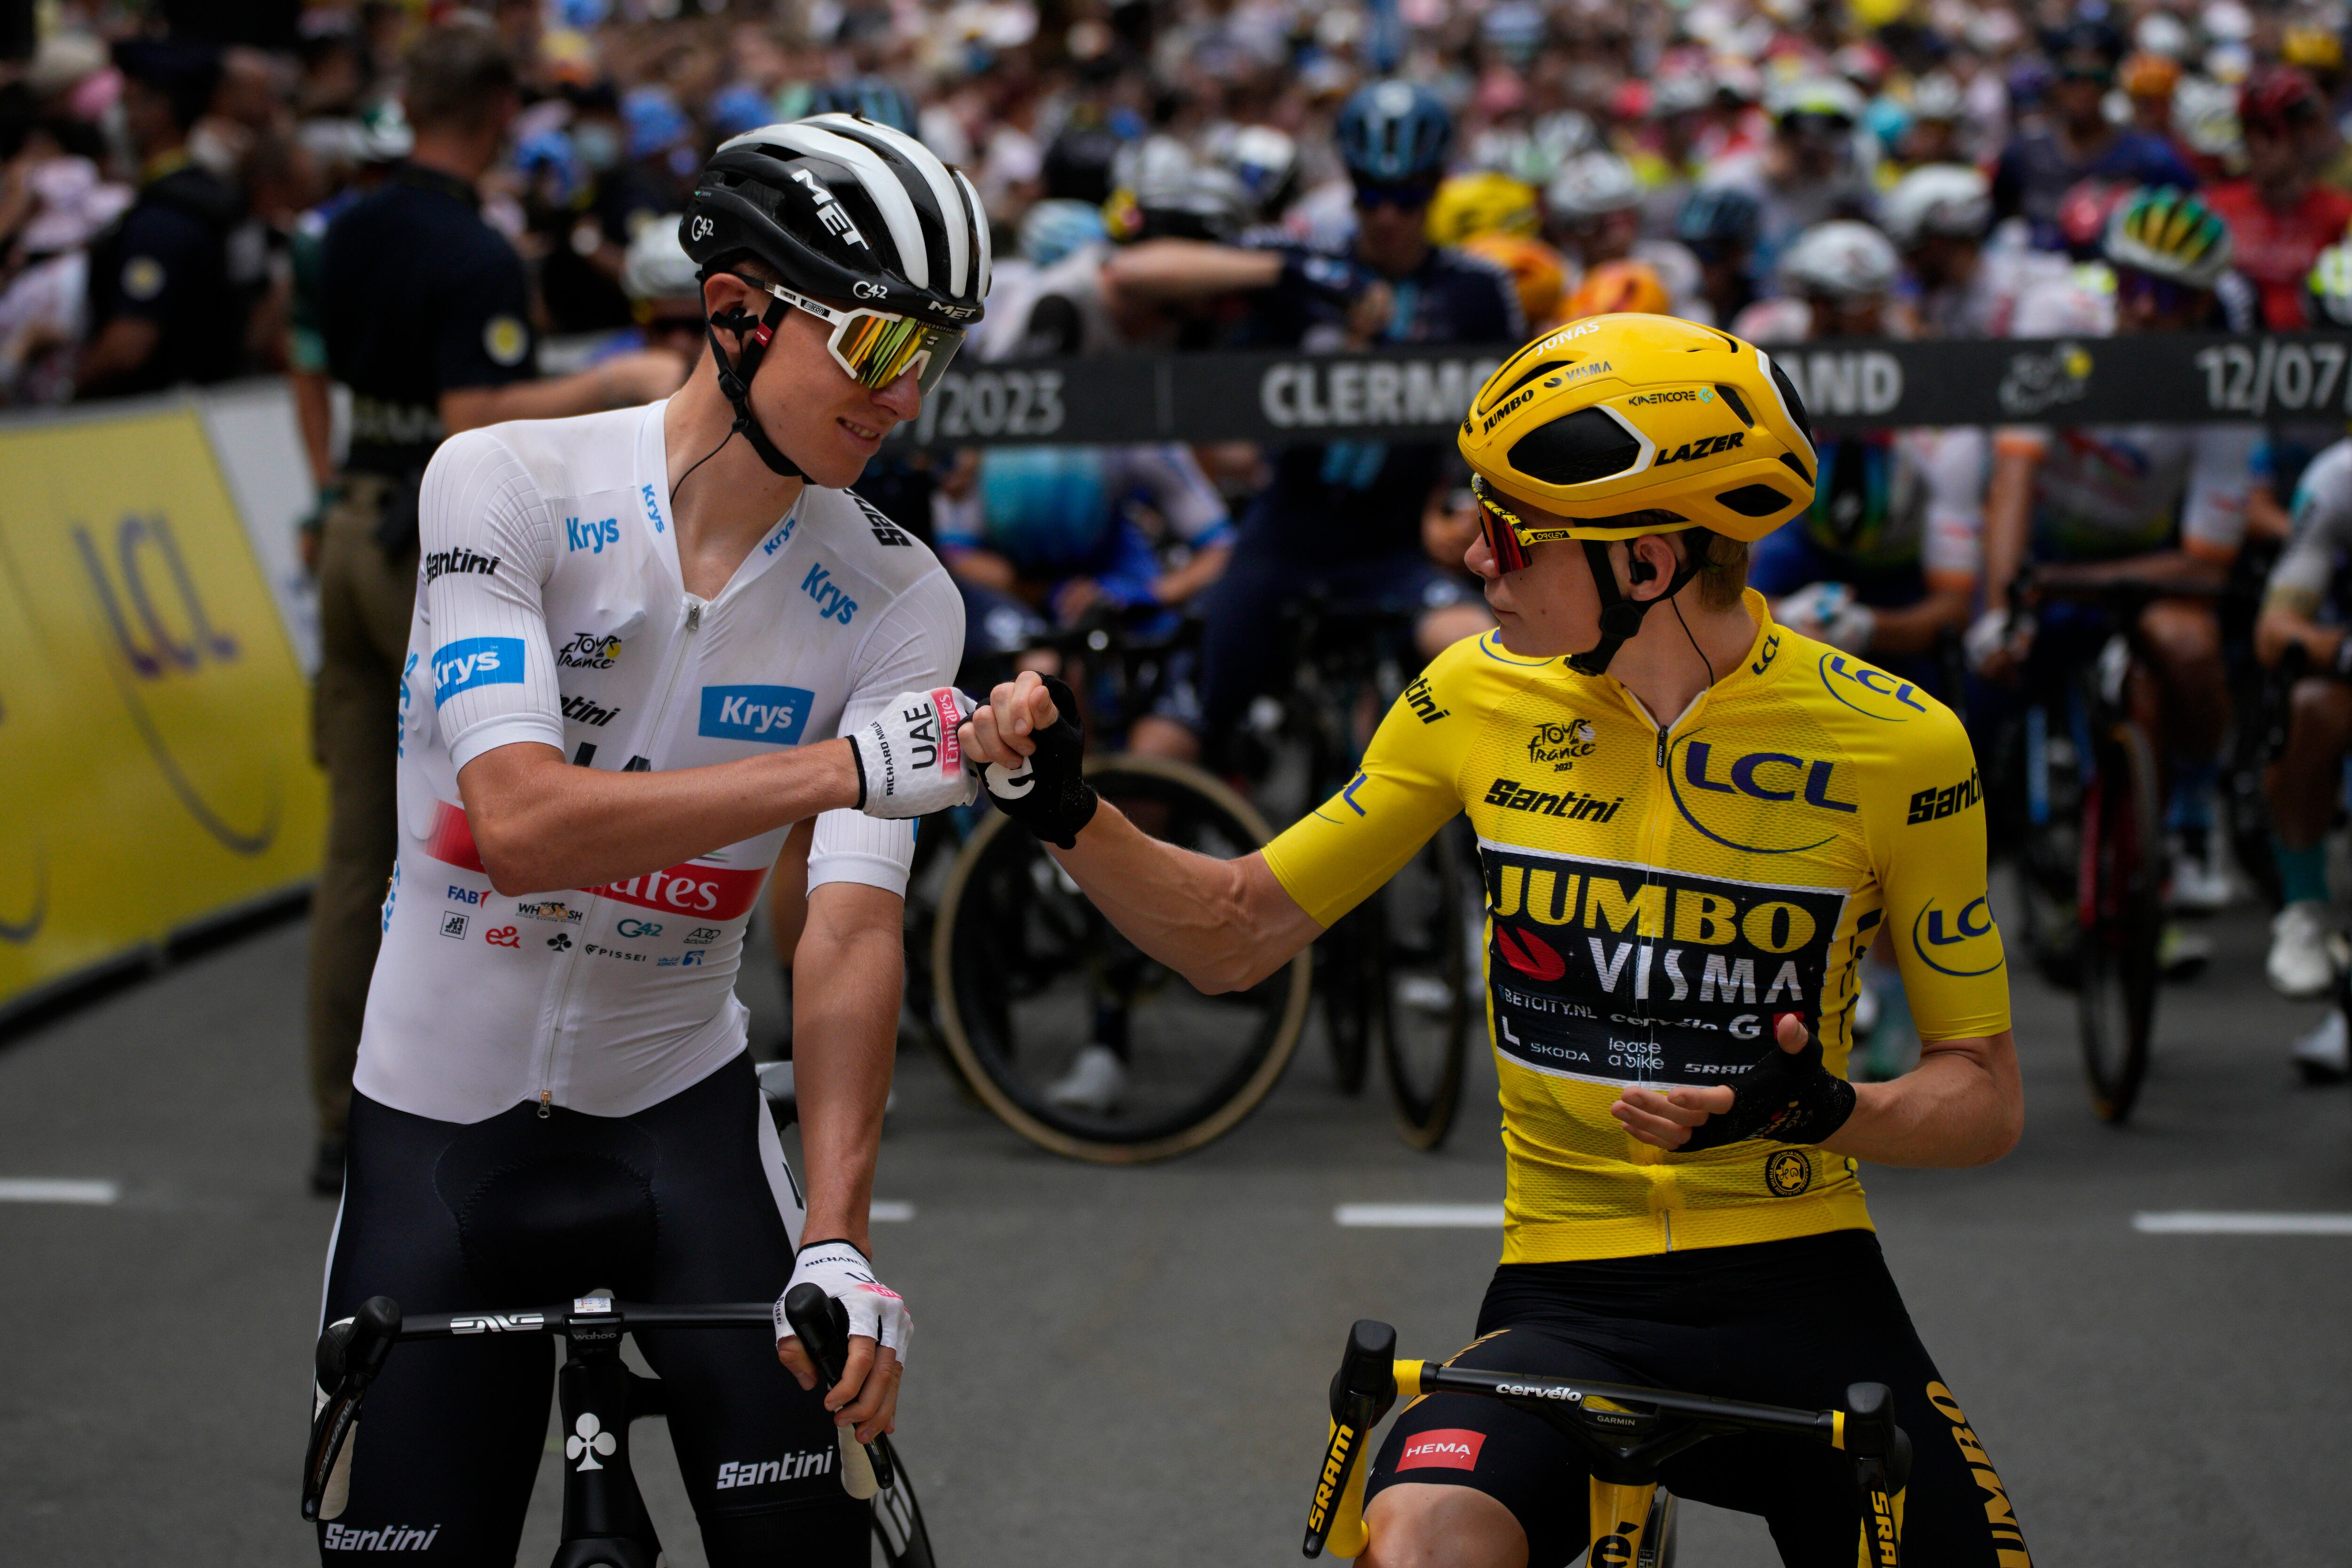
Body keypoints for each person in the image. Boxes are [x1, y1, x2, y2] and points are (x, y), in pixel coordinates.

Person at [957, 312, 2026, 1566]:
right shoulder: (1470, 695)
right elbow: (1235, 933)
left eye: (1514, 532)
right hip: (1571, 1293)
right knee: (1413, 1541)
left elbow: (1985, 1098)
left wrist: (1824, 1107)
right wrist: (1064, 810)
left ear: (1651, 563)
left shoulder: (1900, 743)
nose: (1473, 557)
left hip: (1806, 1285)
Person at [313, 109, 993, 1563]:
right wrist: (835, 770)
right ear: (739, 314)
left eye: (935, 350)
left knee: (812, 1539)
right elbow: (523, 825)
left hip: (678, 1117)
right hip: (437, 1123)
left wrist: (840, 1236)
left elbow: (849, 926)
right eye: (878, 343)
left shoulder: (896, 596)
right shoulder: (501, 484)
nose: (908, 392)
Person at [302, 23, 687, 1196]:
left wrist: (325, 485)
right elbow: (474, 412)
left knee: (356, 840)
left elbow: (298, 354)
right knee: (457, 842)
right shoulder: (471, 248)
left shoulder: (342, 227)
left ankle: (336, 1117)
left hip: (350, 520)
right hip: (434, 546)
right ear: (488, 117)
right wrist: (616, 385)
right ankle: (454, 1095)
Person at [1101, 79, 1520, 765]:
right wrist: (1285, 274)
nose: (1388, 216)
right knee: (1177, 737)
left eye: (1409, 196)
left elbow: (1513, 428)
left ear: (1439, 187)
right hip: (1284, 534)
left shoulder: (1478, 291)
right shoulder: (1305, 263)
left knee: (1480, 658)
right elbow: (1131, 272)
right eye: (1370, 194)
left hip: (1397, 543)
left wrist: (1471, 517)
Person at [1972, 187, 2259, 920]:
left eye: (2170, 295)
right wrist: (2002, 609)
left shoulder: (2222, 379)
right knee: (1980, 676)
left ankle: (2191, 816)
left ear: (2202, 306)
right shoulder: (2056, 317)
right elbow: (2013, 476)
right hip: (2043, 539)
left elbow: (2206, 562)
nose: (2144, 309)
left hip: (2145, 561)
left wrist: (2079, 581)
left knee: (2186, 649)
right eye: (2131, 283)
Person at [76, 37, 247, 398]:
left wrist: (68, 392)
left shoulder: (162, 219)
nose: (119, 117)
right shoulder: (214, 195)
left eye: (128, 103)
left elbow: (127, 348)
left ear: (161, 111)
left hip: (156, 412)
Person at [1990, 20, 2199, 253]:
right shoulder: (2023, 152)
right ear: (2056, 83)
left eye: (2094, 78)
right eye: (2071, 78)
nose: (2082, 90)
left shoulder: (2151, 156)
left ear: (2111, 83)